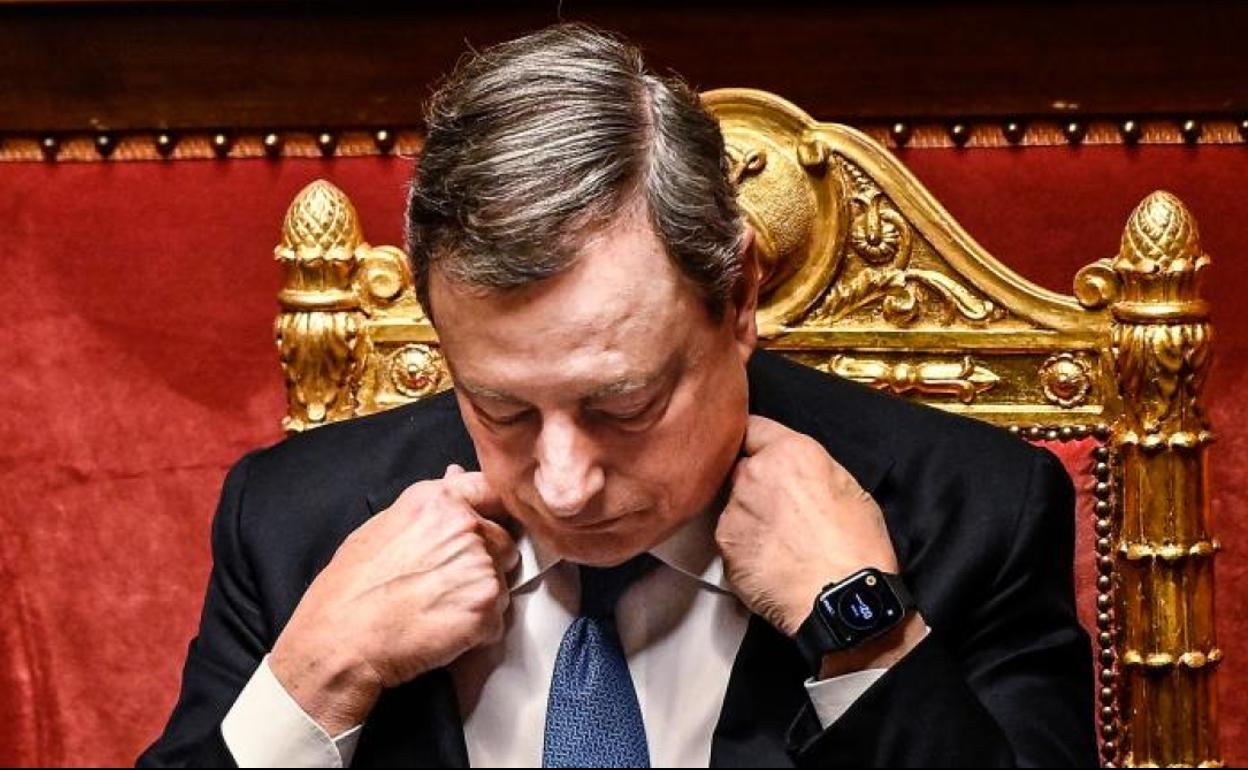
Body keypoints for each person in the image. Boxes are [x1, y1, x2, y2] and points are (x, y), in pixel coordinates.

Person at [139, 23, 1095, 768]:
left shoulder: (974, 512)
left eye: (622, 406)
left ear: (739, 297)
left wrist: (868, 640)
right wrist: (316, 679)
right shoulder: (290, 522)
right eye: (502, 409)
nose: (563, 485)